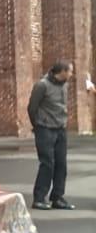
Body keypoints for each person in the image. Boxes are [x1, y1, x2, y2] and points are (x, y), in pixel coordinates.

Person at [27, 60, 75, 210]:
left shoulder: (64, 85)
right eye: (70, 71)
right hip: (45, 129)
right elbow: (32, 108)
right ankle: (39, 198)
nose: (71, 74)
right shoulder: (42, 85)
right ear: (62, 71)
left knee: (61, 164)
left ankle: (57, 197)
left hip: (60, 129)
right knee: (48, 164)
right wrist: (38, 125)